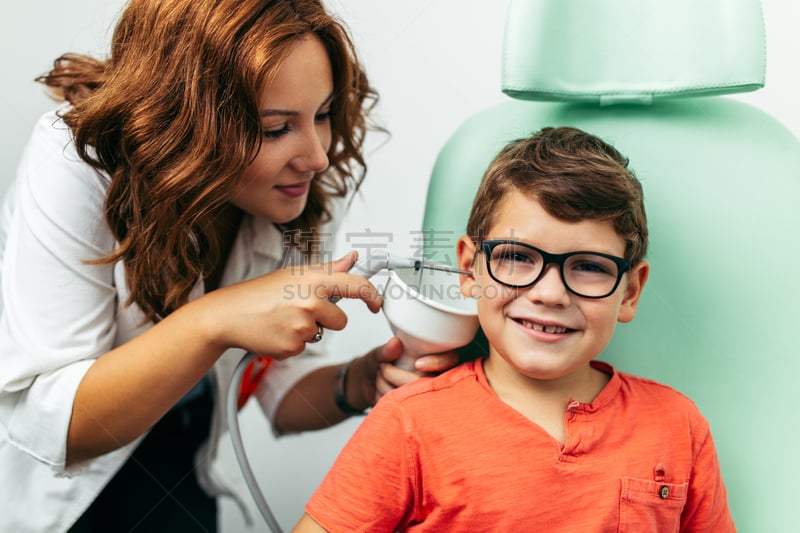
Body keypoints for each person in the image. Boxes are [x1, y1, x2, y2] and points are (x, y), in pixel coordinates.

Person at [0, 1, 459, 531]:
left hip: (178, 473)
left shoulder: (298, 194)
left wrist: (358, 381)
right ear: (185, 123)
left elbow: (275, 387)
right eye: (273, 128)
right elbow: (52, 425)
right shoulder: (76, 160)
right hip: (49, 497)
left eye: (323, 114)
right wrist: (214, 321)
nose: (317, 157)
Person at [294, 126, 736, 532]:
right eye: (518, 257)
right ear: (469, 270)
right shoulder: (408, 422)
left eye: (588, 267)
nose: (549, 294)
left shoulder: (678, 427)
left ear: (631, 291)